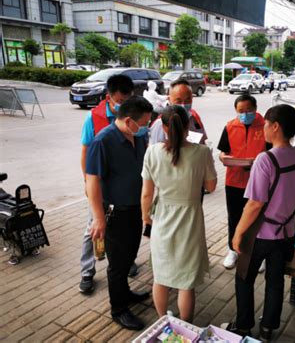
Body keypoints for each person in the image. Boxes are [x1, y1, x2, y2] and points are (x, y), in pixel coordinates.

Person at [222, 104, 295, 340]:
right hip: (286, 234)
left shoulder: (266, 159)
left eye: (266, 125)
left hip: (260, 235)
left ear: (276, 127)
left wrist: (238, 233)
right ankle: (269, 326)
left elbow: (254, 204)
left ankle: (243, 326)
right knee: (275, 280)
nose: (264, 129)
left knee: (244, 278)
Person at [141, 105, 217, 322]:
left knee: (161, 275)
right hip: (190, 218)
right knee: (186, 282)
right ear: (187, 126)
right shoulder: (201, 152)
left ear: (163, 127)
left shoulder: (152, 152)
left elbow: (147, 194)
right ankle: (185, 325)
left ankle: (164, 319)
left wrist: (146, 218)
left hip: (162, 217)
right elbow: (211, 187)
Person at [86, 96, 153, 330]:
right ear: (127, 120)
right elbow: (92, 182)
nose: (146, 127)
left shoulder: (139, 136)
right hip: (115, 212)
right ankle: (119, 309)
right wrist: (98, 218)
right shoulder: (102, 141)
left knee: (129, 257)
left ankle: (125, 293)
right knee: (117, 263)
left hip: (136, 209)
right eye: (143, 122)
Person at [78, 74, 138, 295]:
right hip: (101, 186)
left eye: (128, 99)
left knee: (122, 233)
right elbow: (85, 150)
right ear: (109, 97)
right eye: (121, 101)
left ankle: (124, 262)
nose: (124, 105)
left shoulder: (133, 117)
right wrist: (87, 180)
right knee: (94, 227)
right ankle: (87, 271)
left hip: (122, 189)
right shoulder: (94, 118)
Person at [218, 94, 268, 270]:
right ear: (236, 111)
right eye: (241, 111)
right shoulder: (230, 126)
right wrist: (223, 157)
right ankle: (233, 250)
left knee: (257, 219)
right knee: (234, 217)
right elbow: (223, 152)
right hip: (234, 180)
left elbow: (272, 152)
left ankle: (257, 254)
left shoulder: (265, 126)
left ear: (255, 109)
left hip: (259, 182)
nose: (245, 114)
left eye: (249, 111)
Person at [149, 79, 207, 145]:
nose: (183, 104)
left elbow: (202, 141)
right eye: (178, 101)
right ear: (169, 100)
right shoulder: (160, 124)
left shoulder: (194, 116)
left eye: (188, 100)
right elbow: (155, 152)